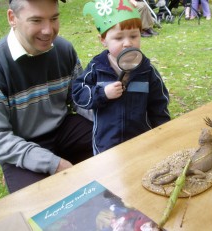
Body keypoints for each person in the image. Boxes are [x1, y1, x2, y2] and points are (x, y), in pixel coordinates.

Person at [0, 0, 93, 193]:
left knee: (113, 137)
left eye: (54, 18)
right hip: (20, 145)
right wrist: (53, 164)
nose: (48, 30)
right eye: (36, 20)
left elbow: (79, 98)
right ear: (12, 18)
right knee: (39, 203)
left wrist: (109, 118)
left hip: (64, 129)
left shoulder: (64, 49)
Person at [72, 0, 171, 154]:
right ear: (103, 40)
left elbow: (159, 106)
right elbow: (78, 95)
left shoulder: (146, 70)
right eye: (119, 38)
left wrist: (163, 134)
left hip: (142, 144)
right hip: (106, 145)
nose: (127, 43)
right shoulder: (97, 67)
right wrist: (102, 93)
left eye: (134, 36)